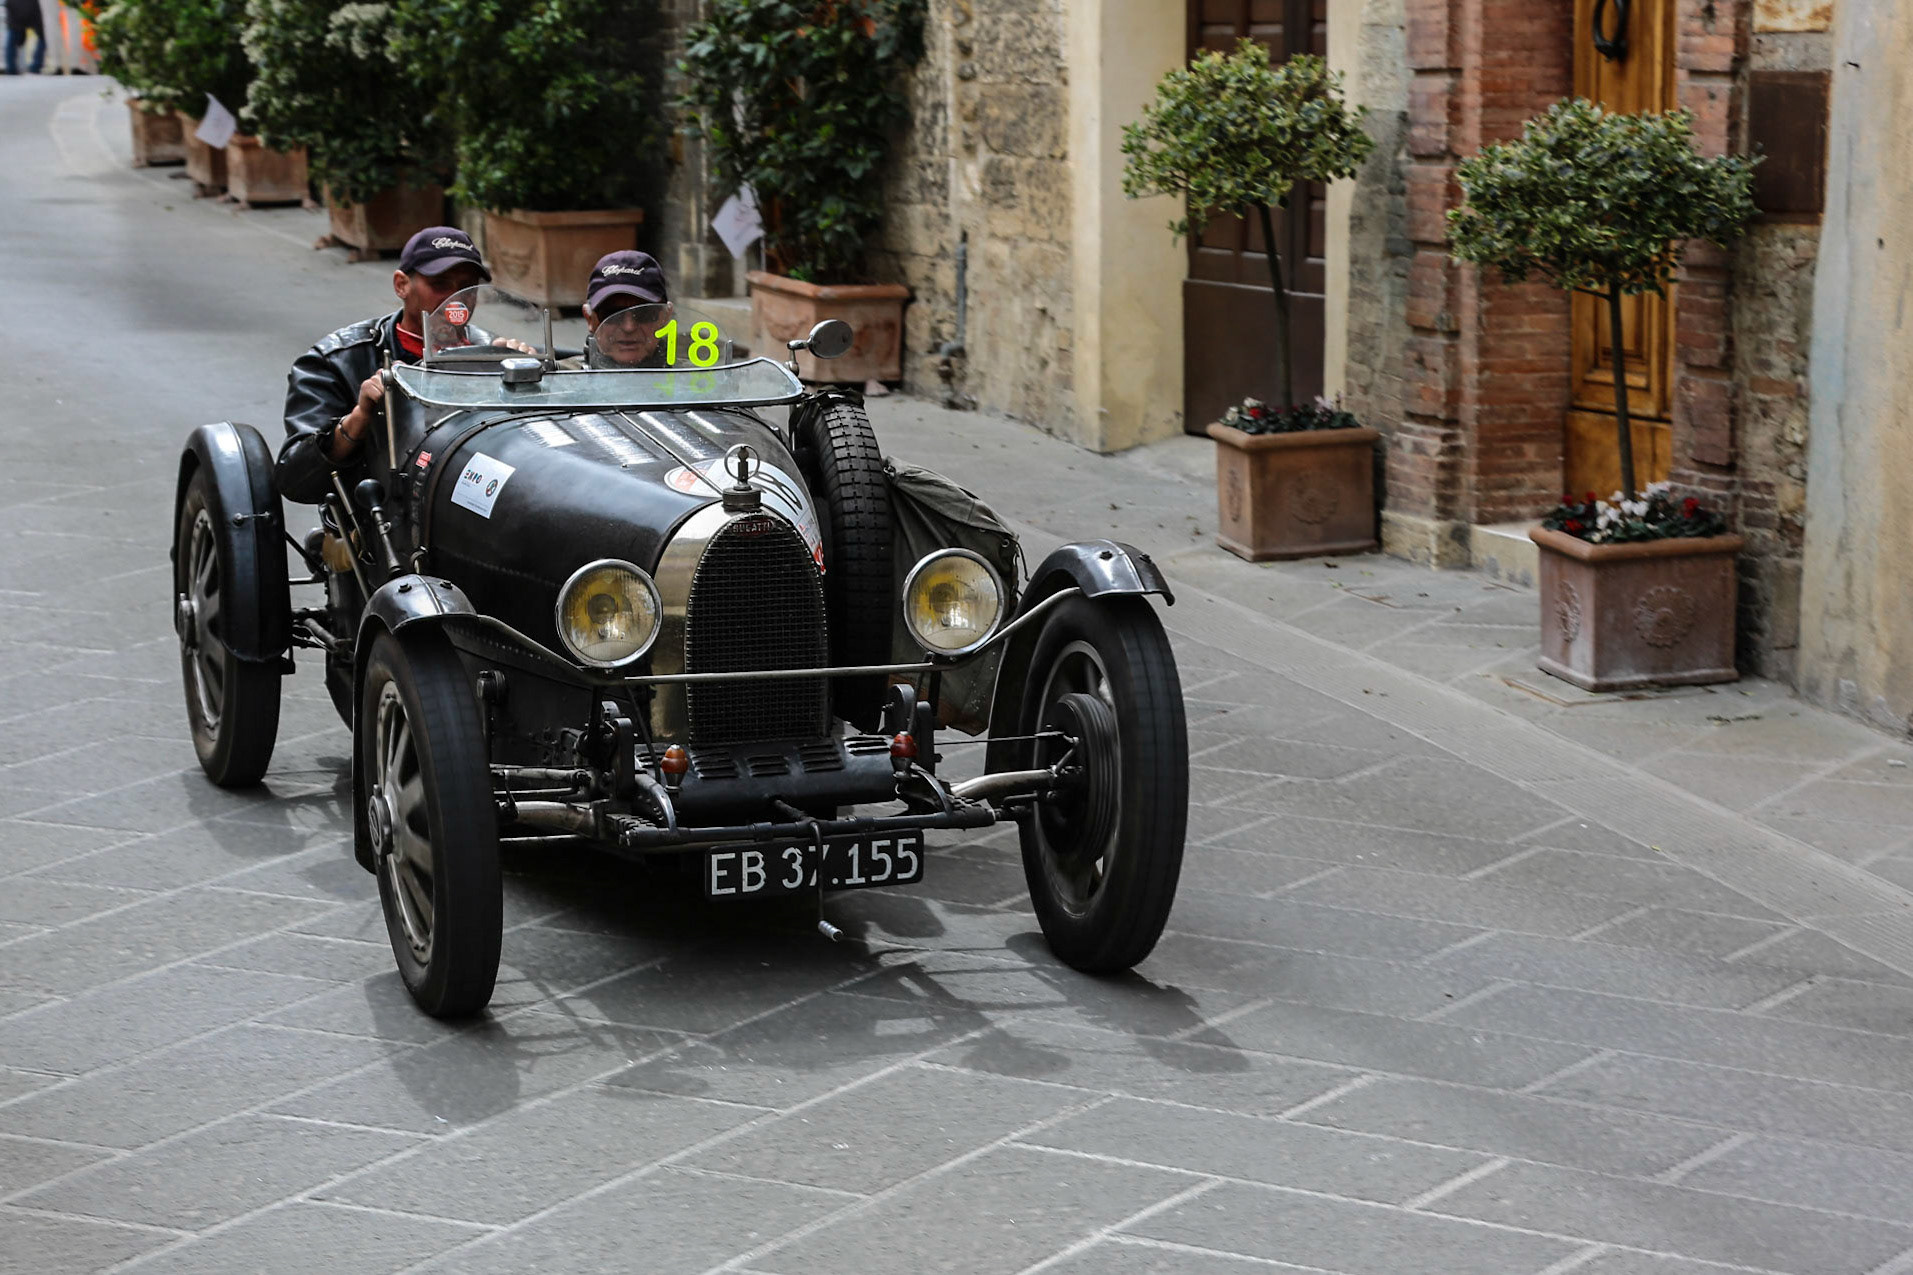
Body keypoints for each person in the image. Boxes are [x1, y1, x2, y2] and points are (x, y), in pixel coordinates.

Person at [277, 226, 501, 504]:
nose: (457, 299)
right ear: (401, 285)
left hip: (466, 493)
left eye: (467, 287)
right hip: (380, 511)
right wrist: (360, 416)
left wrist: (525, 377)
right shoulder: (335, 360)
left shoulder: (492, 353)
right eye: (440, 284)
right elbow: (296, 479)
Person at [575, 251, 673, 369]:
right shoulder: (558, 381)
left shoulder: (691, 378)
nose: (629, 327)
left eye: (644, 313)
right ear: (590, 319)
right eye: (612, 313)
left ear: (665, 317)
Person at [3, 0, 46, 75]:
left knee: (12, 41)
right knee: (43, 38)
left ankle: (11, 69)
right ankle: (36, 66)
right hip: (31, 8)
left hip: (17, 8)